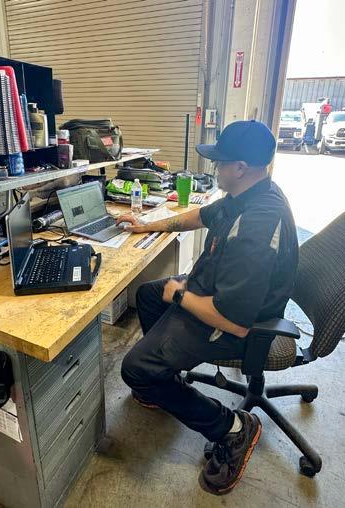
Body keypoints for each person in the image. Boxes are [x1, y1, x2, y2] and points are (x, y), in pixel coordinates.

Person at [116, 120, 298, 495]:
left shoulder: (258, 225)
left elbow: (235, 322)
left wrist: (180, 297)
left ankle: (233, 428)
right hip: (216, 292)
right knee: (148, 294)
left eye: (220, 162)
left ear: (240, 168)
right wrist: (146, 225)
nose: (214, 168)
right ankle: (164, 380)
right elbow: (200, 216)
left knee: (135, 368)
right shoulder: (246, 195)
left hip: (236, 323)